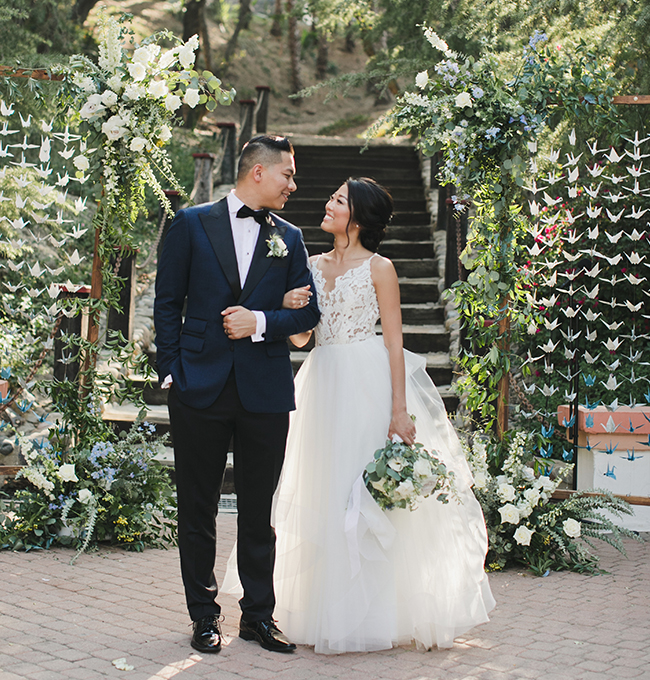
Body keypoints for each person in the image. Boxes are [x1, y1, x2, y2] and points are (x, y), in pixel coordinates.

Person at [259, 176, 495, 653]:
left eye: (338, 200)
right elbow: (304, 338)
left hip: (366, 385)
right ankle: (326, 608)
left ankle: (380, 612)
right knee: (324, 491)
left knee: (367, 494)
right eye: (332, 196)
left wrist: (399, 409)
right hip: (321, 384)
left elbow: (393, 341)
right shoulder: (308, 263)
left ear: (359, 217)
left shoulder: (380, 268)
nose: (328, 203)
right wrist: (286, 310)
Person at [154, 135, 320, 655]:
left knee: (258, 512)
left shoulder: (290, 238)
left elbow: (308, 315)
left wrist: (260, 322)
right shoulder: (190, 223)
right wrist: (171, 372)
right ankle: (204, 617)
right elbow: (167, 302)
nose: (294, 185)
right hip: (197, 387)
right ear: (258, 173)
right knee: (197, 508)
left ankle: (258, 617)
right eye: (288, 175)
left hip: (265, 390)